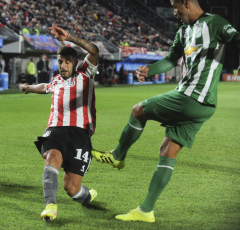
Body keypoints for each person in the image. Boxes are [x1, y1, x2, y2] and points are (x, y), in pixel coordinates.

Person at [91, 0, 240, 223]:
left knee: (138, 110)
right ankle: (145, 211)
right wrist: (150, 70)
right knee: (167, 149)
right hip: (202, 104)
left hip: (192, 96)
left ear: (187, 3)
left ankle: (117, 155)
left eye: (175, 5)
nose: (174, 12)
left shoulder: (215, 23)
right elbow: (171, 59)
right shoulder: (183, 32)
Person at [19, 26, 99, 221]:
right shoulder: (56, 81)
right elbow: (45, 87)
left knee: (71, 188)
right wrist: (28, 87)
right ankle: (50, 206)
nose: (63, 65)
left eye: (67, 62)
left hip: (80, 135)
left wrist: (69, 37)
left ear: (75, 63)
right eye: (60, 61)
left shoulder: (85, 75)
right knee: (52, 158)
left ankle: (87, 195)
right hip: (55, 131)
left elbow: (94, 50)